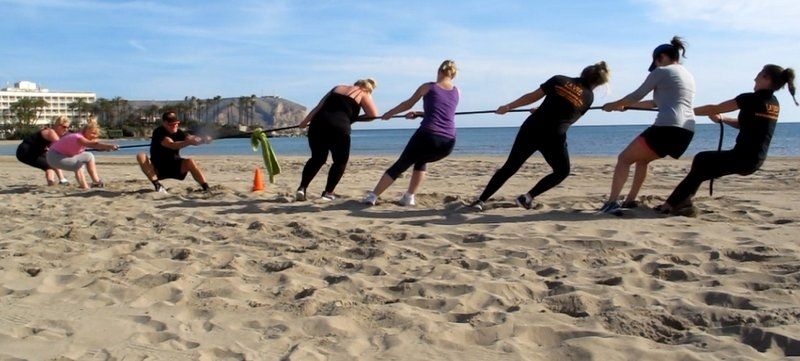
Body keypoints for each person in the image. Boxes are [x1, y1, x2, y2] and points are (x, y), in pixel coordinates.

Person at [657, 64, 798, 216]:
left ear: (766, 78)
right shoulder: (773, 104)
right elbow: (744, 125)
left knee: (701, 160)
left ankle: (672, 204)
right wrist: (723, 119)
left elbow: (715, 107)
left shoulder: (749, 99)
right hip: (754, 159)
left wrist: (683, 111)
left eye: (759, 74)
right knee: (702, 167)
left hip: (743, 158)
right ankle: (679, 203)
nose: (755, 78)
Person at [470, 62, 611, 211]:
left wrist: (509, 107)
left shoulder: (559, 79)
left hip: (533, 128)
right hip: (553, 137)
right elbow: (569, 118)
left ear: (583, 73)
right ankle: (527, 197)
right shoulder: (589, 97)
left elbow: (533, 96)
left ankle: (481, 200)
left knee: (510, 166)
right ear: (597, 83)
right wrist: (547, 111)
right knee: (562, 171)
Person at [600, 36, 695, 214]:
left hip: (667, 127)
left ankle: (611, 202)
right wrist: (624, 105)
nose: (656, 66)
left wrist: (612, 105)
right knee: (642, 160)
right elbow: (654, 103)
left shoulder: (662, 71)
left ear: (661, 58)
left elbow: (637, 95)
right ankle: (629, 201)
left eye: (656, 62)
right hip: (686, 132)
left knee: (624, 159)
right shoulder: (686, 75)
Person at [363, 60, 459, 206]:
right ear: (453, 75)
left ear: (439, 71)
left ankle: (372, 196)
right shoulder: (457, 91)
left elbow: (407, 104)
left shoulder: (428, 87)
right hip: (448, 142)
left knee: (401, 164)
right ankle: (409, 197)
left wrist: (390, 113)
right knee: (421, 160)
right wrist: (420, 114)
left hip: (428, 135)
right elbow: (442, 111)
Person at [295, 79, 379, 201]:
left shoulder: (337, 88)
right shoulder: (363, 93)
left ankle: (302, 188)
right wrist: (352, 118)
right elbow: (373, 115)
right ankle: (328, 192)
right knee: (340, 161)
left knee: (317, 158)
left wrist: (305, 121)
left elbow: (318, 107)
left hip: (317, 124)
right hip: (339, 128)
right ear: (369, 89)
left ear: (355, 83)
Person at [136, 111, 212, 193]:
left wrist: (203, 139)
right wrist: (189, 142)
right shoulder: (158, 132)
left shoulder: (179, 132)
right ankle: (157, 185)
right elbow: (172, 145)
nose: (175, 126)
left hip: (174, 166)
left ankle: (206, 187)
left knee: (190, 161)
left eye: (176, 123)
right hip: (158, 168)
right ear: (165, 123)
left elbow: (191, 138)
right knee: (141, 156)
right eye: (172, 124)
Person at [46, 117, 118, 189]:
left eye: (96, 134)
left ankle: (96, 182)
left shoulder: (82, 138)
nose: (95, 136)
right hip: (54, 157)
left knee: (89, 156)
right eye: (93, 133)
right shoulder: (78, 138)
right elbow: (93, 145)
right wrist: (110, 146)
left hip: (62, 155)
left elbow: (95, 147)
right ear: (86, 131)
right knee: (79, 164)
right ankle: (84, 186)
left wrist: (106, 148)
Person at [16, 115, 70, 186]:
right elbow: (60, 146)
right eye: (64, 127)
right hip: (25, 151)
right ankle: (62, 180)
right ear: (57, 125)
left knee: (49, 165)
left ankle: (52, 183)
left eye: (68, 127)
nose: (66, 129)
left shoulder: (54, 133)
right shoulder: (51, 132)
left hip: (36, 151)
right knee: (51, 162)